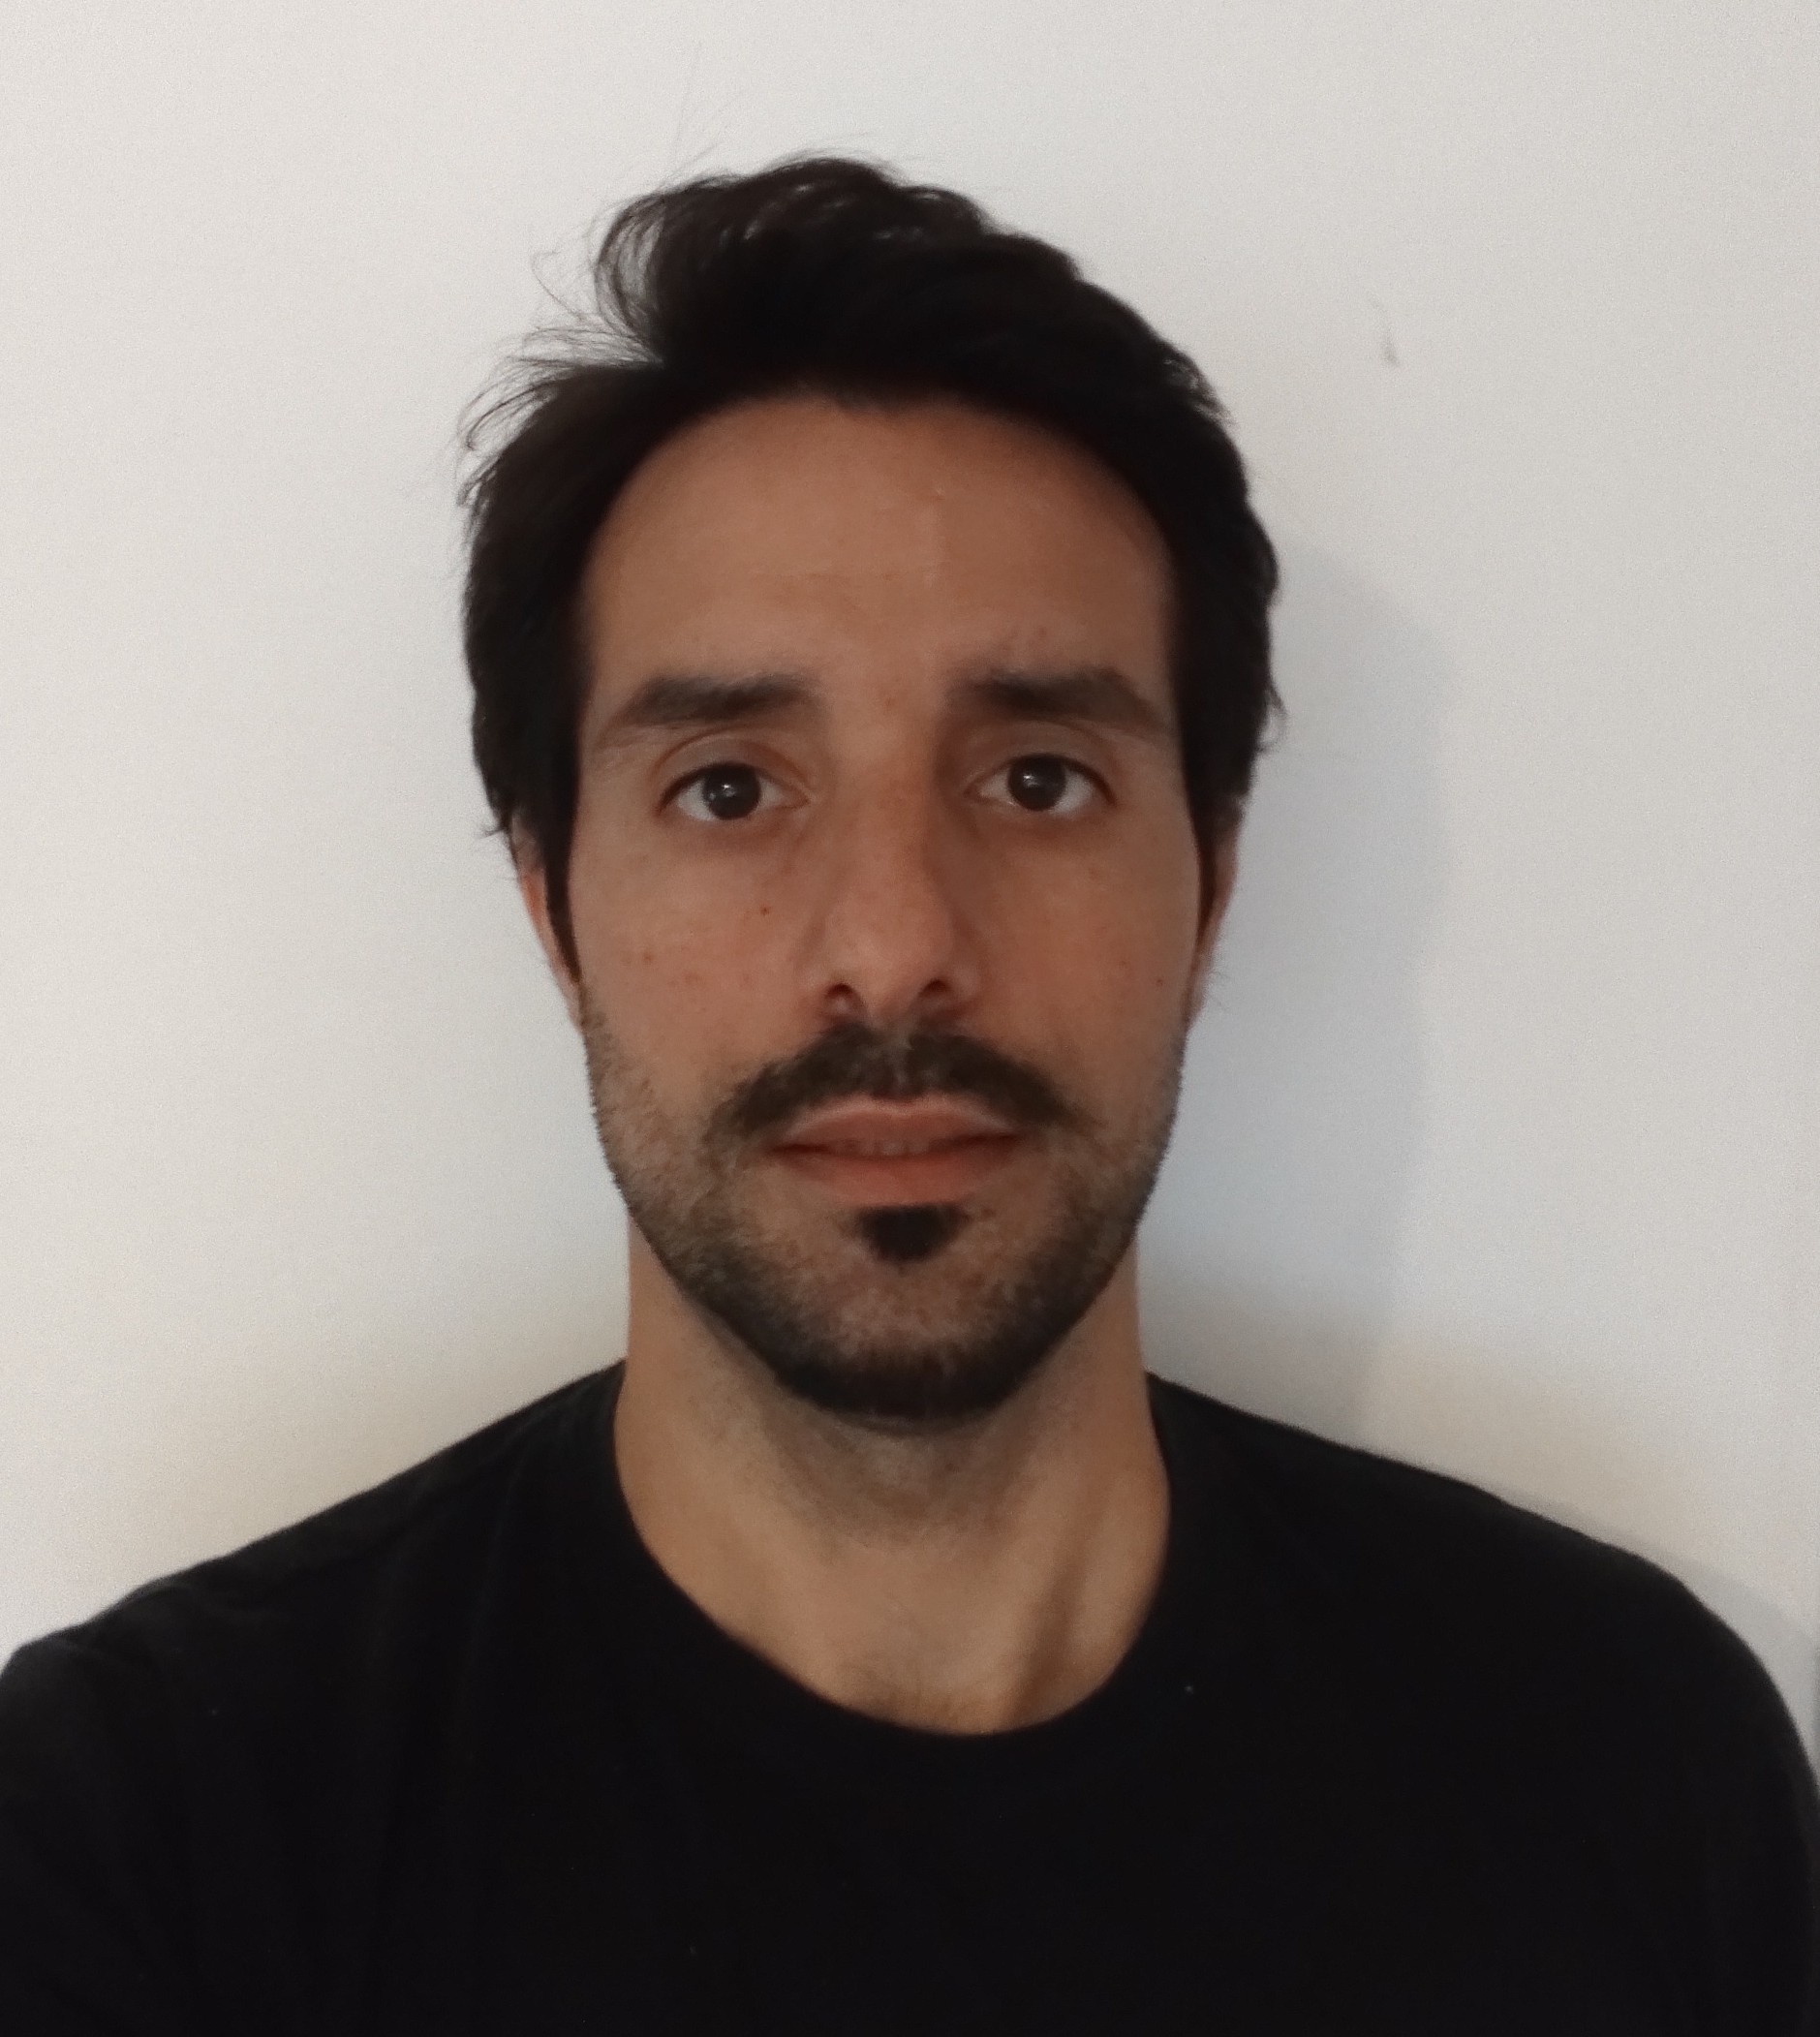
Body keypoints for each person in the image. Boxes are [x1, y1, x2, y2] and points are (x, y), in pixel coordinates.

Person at [1, 155, 1815, 2035]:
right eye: (728, 786)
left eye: (1037, 778)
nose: (891, 947)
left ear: (1208, 885)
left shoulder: (1629, 1763)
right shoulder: (145, 1843)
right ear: (555, 910)